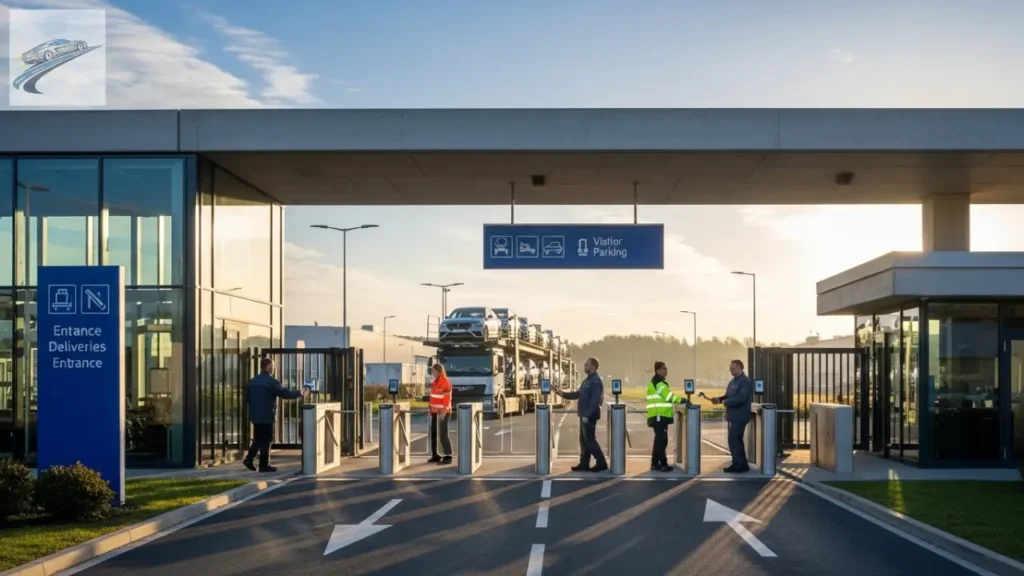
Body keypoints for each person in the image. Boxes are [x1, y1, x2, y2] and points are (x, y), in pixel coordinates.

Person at [244, 357, 307, 473]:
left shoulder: (252, 381)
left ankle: (249, 458)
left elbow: (247, 398)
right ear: (268, 367)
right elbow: (284, 393)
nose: (273, 368)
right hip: (267, 414)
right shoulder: (271, 381)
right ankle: (263, 465)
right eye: (272, 365)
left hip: (255, 415)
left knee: (258, 438)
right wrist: (299, 393)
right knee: (266, 439)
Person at [556, 357, 607, 473]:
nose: (585, 366)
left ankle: (601, 462)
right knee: (583, 440)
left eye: (587, 364)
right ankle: (584, 463)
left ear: (593, 366)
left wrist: (587, 415)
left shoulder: (596, 381)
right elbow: (577, 394)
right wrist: (561, 393)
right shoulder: (587, 381)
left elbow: (595, 401)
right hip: (584, 415)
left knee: (590, 440)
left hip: (589, 416)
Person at [712, 359, 753, 473]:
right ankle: (742, 464)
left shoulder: (745, 381)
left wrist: (726, 402)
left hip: (740, 415)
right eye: (730, 368)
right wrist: (719, 399)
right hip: (733, 415)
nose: (730, 370)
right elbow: (728, 395)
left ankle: (738, 465)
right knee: (736, 439)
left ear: (740, 367)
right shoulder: (733, 382)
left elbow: (741, 398)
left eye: (733, 368)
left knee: (734, 439)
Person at [646, 361, 688, 472]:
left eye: (666, 369)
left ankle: (654, 463)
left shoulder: (654, 382)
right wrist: (681, 400)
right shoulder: (659, 383)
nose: (666, 371)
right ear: (658, 370)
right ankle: (663, 464)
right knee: (662, 441)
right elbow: (668, 397)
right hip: (660, 415)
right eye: (664, 368)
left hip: (657, 415)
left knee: (658, 440)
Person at [427, 363, 454, 465]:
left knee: (443, 434)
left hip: (444, 412)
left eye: (433, 371)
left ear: (439, 371)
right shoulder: (435, 382)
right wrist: (430, 406)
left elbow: (447, 398)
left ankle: (448, 456)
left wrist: (443, 410)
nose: (432, 373)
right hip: (435, 411)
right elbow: (434, 396)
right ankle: (435, 455)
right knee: (434, 434)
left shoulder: (444, 382)